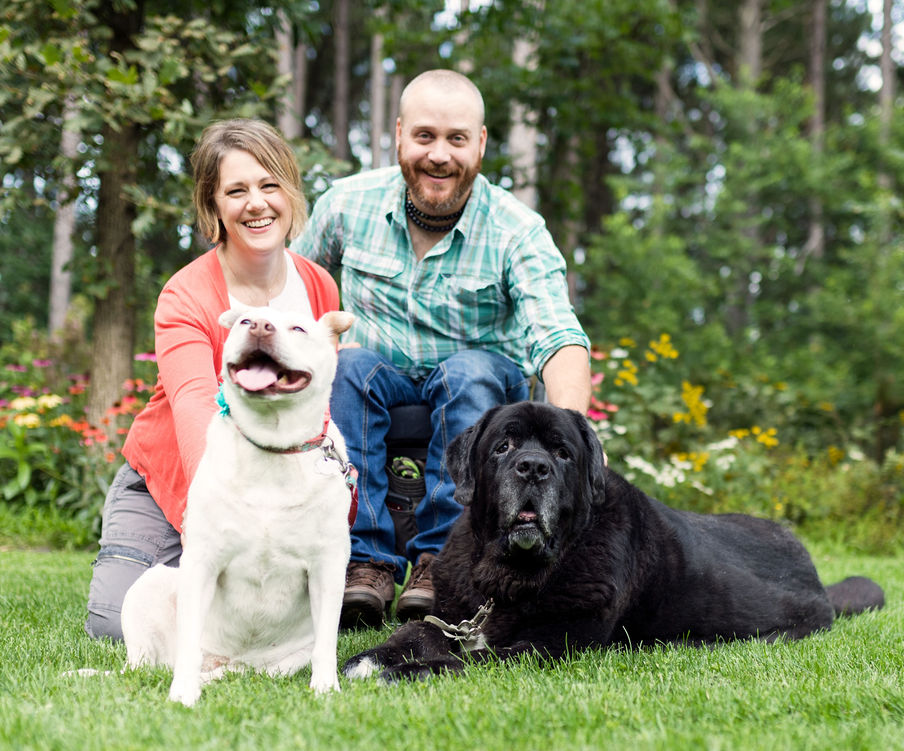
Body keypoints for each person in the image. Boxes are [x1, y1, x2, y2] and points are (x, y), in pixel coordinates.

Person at [291, 69, 592, 629]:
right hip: (376, 378)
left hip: (475, 388)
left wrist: (569, 432)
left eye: (456, 139)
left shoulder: (517, 230)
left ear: (479, 144)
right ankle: (365, 560)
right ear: (399, 135)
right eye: (424, 137)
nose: (439, 155)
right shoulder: (346, 205)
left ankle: (438, 557)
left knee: (467, 371)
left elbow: (558, 335)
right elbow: (291, 289)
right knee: (348, 363)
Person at [85, 119, 341, 641]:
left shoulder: (318, 285)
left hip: (275, 488)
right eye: (236, 191)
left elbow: (317, 404)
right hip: (178, 478)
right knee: (116, 626)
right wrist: (220, 527)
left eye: (270, 185)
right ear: (213, 208)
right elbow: (195, 406)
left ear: (290, 194)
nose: (257, 203)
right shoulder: (185, 295)